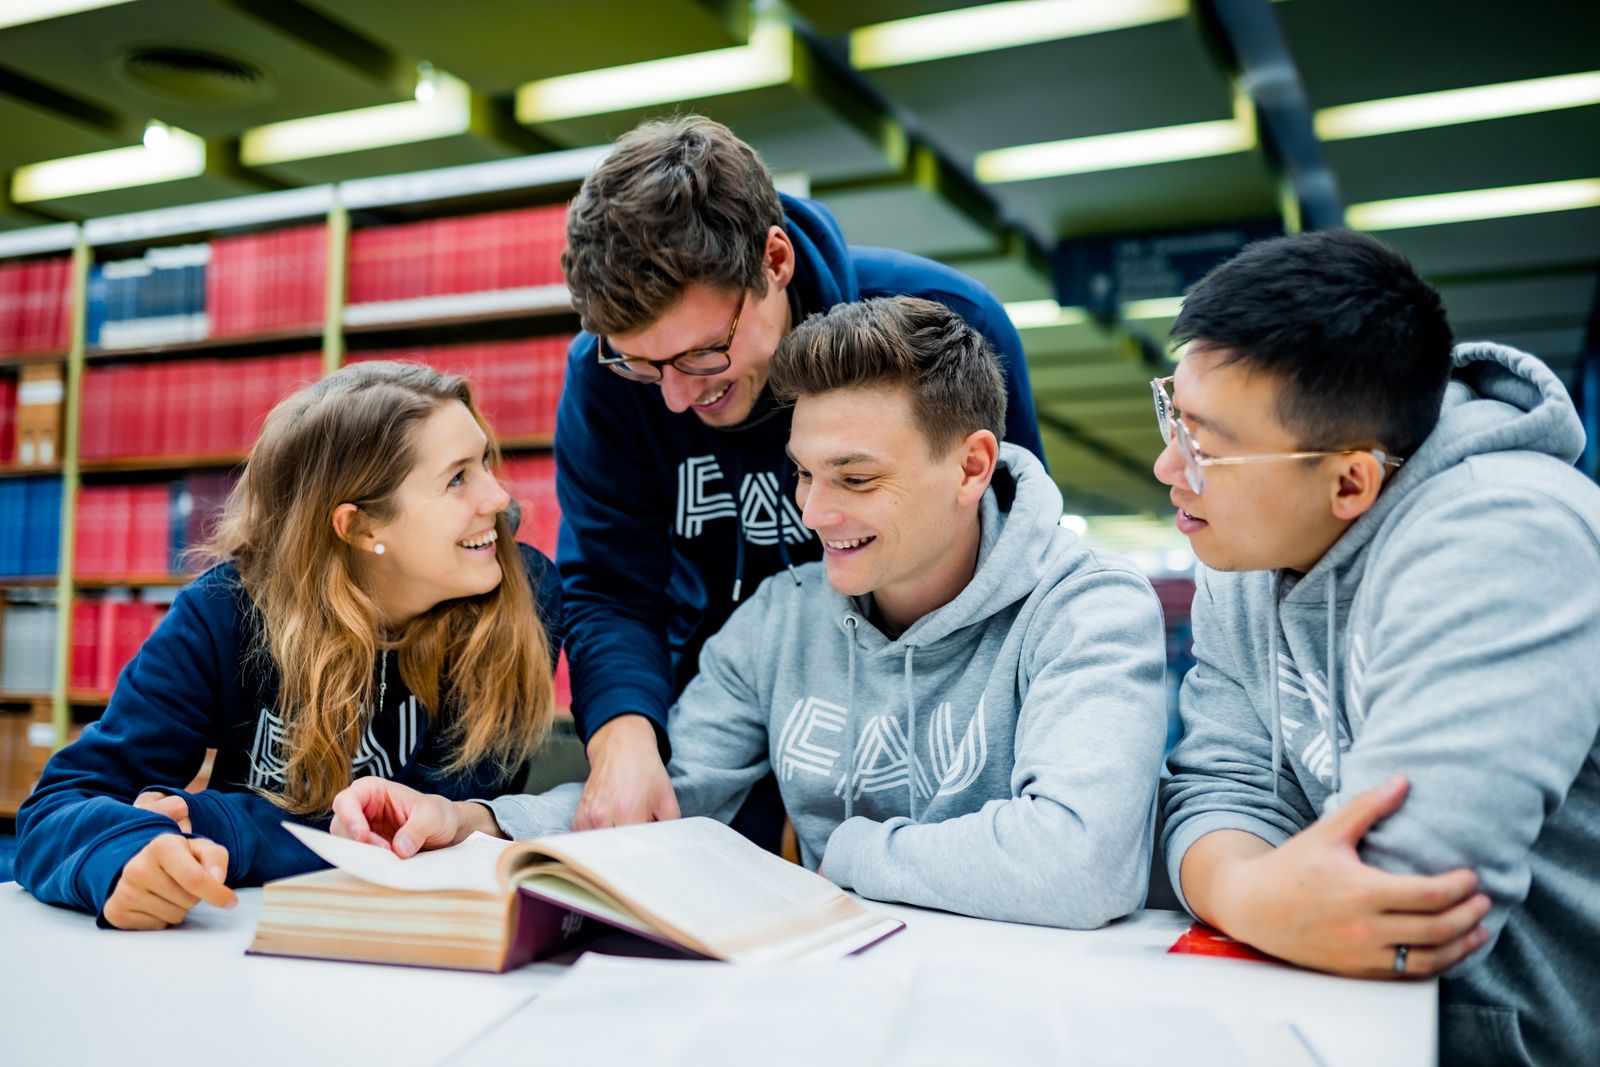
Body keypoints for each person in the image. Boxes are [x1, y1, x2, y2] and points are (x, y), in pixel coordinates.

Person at [333, 296, 1167, 928]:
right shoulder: (782, 619)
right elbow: (662, 795)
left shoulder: (1087, 604)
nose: (814, 514)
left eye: (857, 477)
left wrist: (848, 853)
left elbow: (1079, 861)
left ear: (972, 465)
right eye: (805, 474)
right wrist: (470, 820)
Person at [1154, 230, 1600, 1064]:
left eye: (1205, 447)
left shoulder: (1510, 534)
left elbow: (1405, 896)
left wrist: (1247, 886)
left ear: (1350, 481)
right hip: (1329, 1024)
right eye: (1172, 415)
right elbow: (1213, 789)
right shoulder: (1242, 544)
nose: (1166, 465)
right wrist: (1251, 890)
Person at [555, 116, 1046, 840]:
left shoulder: (946, 331)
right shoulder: (602, 381)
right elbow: (608, 584)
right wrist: (623, 735)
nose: (675, 399)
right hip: (717, 712)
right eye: (642, 363)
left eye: (702, 354)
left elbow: (1009, 557)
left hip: (932, 728)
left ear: (774, 259)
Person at [15, 361, 564, 931]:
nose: (498, 497)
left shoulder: (525, 597)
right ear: (360, 528)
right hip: (250, 937)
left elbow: (415, 830)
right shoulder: (224, 612)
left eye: (484, 464)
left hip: (434, 940)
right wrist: (121, 859)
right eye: (457, 478)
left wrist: (221, 824)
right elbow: (57, 807)